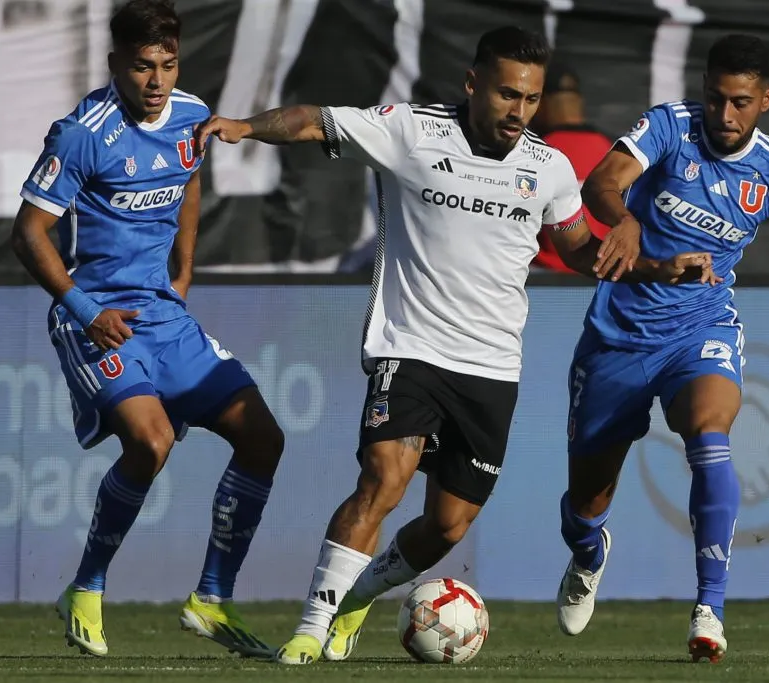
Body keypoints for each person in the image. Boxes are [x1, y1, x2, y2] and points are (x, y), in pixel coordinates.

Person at [195, 25, 718, 666]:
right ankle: (310, 627)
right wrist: (247, 127)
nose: (518, 110)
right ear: (473, 83)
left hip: (492, 366)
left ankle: (358, 596)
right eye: (505, 94)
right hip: (410, 345)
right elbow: (314, 120)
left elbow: (580, 246)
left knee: (448, 525)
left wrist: (656, 268)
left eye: (529, 98)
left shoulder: (548, 166)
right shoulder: (410, 131)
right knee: (384, 479)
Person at [556, 34, 769, 663]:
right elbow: (603, 182)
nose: (724, 117)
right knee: (587, 500)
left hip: (701, 329)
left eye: (739, 103)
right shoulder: (669, 128)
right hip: (618, 335)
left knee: (710, 434)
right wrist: (623, 217)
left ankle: (710, 609)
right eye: (714, 99)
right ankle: (588, 551)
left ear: (765, 100)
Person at [10, 0, 282, 659]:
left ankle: (210, 600)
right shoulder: (83, 131)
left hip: (164, 314)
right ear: (115, 65)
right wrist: (84, 310)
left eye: (167, 64)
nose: (156, 80)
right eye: (141, 67)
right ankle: (87, 586)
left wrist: (185, 269)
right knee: (152, 440)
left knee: (263, 437)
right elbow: (27, 232)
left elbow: (187, 183)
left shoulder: (192, 116)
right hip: (97, 317)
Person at [530, 63, 612, 273]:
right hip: (602, 278)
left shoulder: (534, 151)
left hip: (546, 280)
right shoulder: (613, 152)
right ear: (578, 102)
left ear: (540, 103)